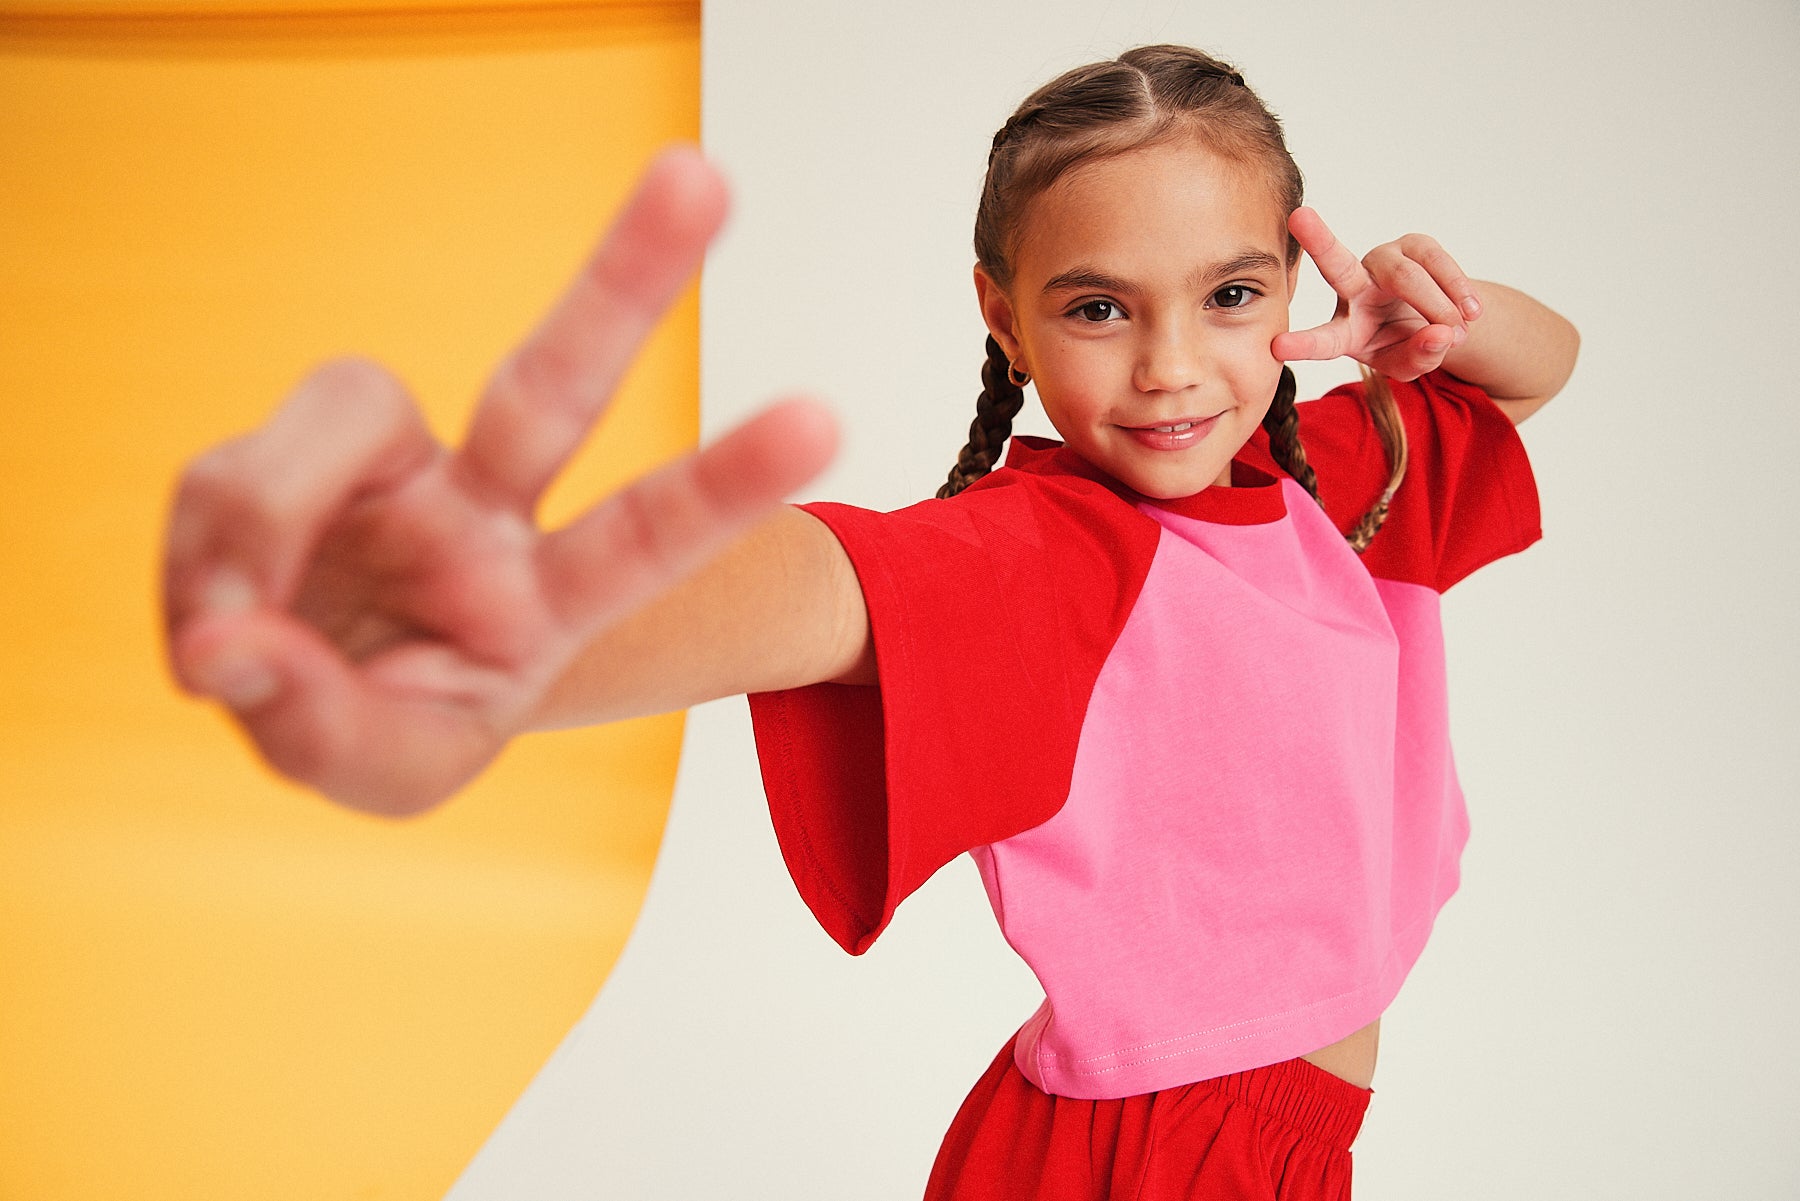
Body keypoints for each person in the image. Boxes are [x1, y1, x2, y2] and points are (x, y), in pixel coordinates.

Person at [163, 44, 1578, 1201]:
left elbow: (1535, 373)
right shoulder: (1061, 547)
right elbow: (826, 586)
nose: (1172, 368)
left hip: (1274, 1146)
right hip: (1138, 1162)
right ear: (1006, 319)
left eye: (1229, 296)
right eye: (1098, 307)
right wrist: (506, 629)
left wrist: (1444, 315)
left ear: (1290, 283)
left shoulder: (1329, 478)